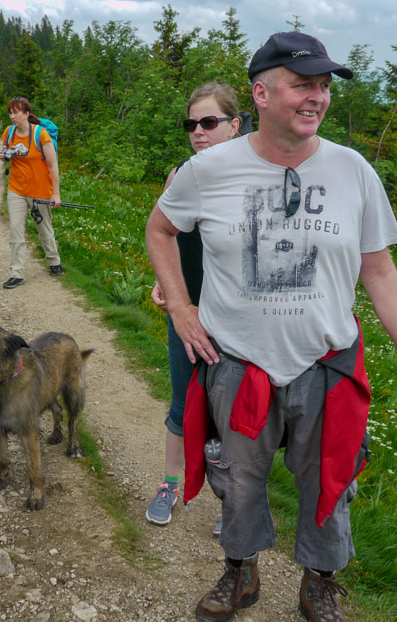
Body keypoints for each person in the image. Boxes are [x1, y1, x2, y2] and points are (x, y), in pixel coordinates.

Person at [145, 32, 397, 622]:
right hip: (237, 362)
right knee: (237, 482)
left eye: (325, 86)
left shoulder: (353, 171)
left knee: (331, 479)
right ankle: (242, 573)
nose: (318, 97)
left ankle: (320, 583)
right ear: (261, 93)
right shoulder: (208, 169)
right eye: (303, 85)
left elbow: (379, 271)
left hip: (325, 362)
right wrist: (182, 307)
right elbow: (160, 230)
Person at [145, 83, 241, 532]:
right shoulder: (181, 173)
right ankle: (169, 484)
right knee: (183, 403)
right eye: (192, 124)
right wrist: (164, 285)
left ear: (234, 125)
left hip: (238, 316)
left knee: (233, 413)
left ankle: (231, 504)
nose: (198, 132)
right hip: (187, 312)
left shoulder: (251, 176)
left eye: (209, 122)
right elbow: (166, 236)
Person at [0, 96, 63, 289]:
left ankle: (53, 261)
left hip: (40, 191)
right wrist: (3, 156)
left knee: (44, 229)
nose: (12, 116)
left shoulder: (41, 134)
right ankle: (16, 273)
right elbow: (6, 157)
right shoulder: (9, 133)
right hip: (16, 189)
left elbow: (53, 165)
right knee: (15, 231)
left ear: (26, 114)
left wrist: (55, 194)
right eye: (10, 113)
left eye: (16, 112)